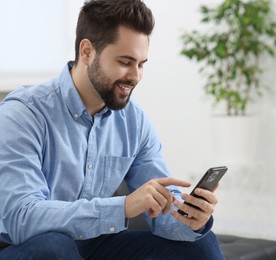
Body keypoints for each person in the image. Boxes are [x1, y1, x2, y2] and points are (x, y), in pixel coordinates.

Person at [0, 0, 224, 259]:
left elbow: (162, 210)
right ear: (87, 52)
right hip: (19, 246)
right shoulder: (23, 113)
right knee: (55, 248)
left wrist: (191, 219)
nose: (135, 76)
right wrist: (123, 207)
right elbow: (22, 218)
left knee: (201, 245)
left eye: (141, 64)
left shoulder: (134, 122)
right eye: (125, 62)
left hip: (93, 243)